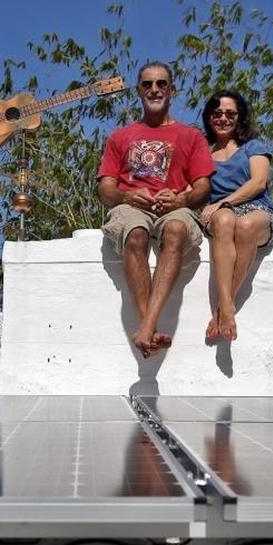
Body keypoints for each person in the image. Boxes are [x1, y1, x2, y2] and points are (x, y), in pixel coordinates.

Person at [98, 62, 216, 358]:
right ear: (138, 90)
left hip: (174, 206)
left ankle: (146, 329)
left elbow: (203, 187)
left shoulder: (191, 137)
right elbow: (105, 190)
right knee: (135, 235)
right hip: (132, 207)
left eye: (161, 84)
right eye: (148, 84)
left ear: (171, 90)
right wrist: (127, 195)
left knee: (176, 230)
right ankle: (148, 327)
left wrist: (181, 201)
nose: (154, 89)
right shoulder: (119, 137)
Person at [199, 90, 273, 341]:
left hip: (257, 210)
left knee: (245, 225)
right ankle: (227, 308)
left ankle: (225, 307)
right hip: (220, 214)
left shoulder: (253, 146)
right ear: (209, 116)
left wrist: (223, 202)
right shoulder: (203, 152)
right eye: (217, 113)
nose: (223, 118)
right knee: (225, 220)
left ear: (239, 117)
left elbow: (258, 183)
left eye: (230, 113)